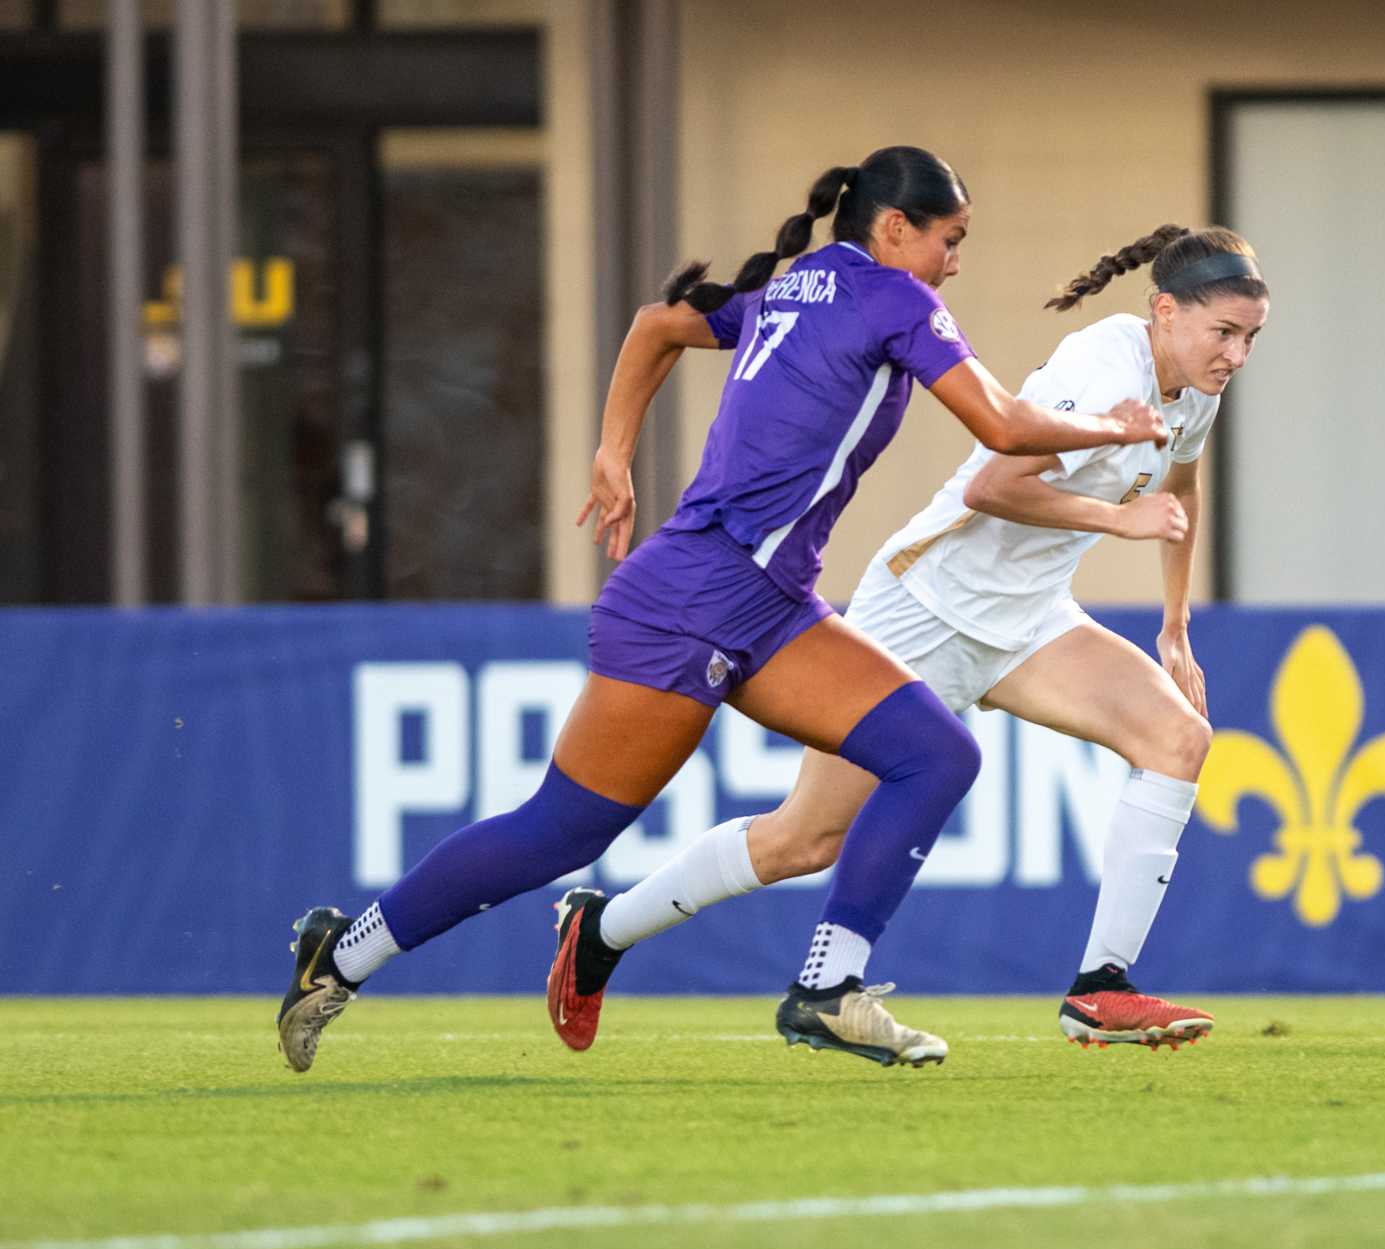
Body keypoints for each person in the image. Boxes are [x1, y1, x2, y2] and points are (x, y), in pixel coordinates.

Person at [278, 146, 1167, 1073]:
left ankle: (827, 988)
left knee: (935, 752)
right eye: (951, 239)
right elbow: (1005, 428)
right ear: (895, 228)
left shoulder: (799, 289)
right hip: (692, 599)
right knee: (564, 829)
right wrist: (1118, 425)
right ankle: (341, 952)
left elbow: (657, 324)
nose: (956, 260)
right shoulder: (896, 299)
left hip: (771, 602)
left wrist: (614, 453)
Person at [546, 226, 1268, 1052]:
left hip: (1027, 617)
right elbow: (998, 485)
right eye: (1225, 332)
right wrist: (1116, 517)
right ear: (1164, 310)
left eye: (1251, 336)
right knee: (803, 838)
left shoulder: (1196, 387)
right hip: (924, 605)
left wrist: (1175, 624)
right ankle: (601, 927)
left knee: (1178, 738)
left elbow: (1182, 487)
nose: (1237, 354)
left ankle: (1101, 988)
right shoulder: (1103, 367)